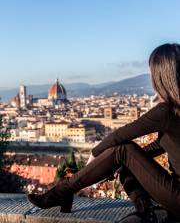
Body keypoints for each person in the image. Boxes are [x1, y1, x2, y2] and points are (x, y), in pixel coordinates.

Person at [28, 43, 180, 222]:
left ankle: (61, 191)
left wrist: (96, 154)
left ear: (161, 77)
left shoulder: (166, 112)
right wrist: (111, 163)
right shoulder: (174, 112)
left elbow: (120, 135)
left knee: (123, 150)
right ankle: (144, 210)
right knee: (124, 157)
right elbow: (163, 145)